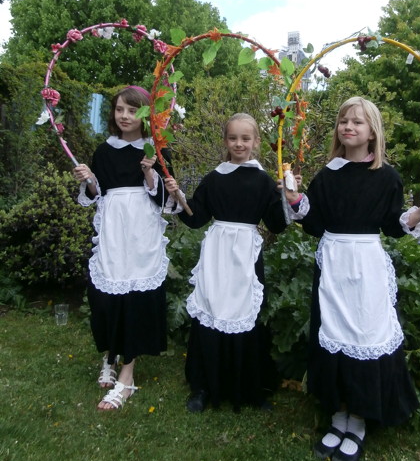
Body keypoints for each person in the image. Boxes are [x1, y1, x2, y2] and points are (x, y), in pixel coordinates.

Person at [297, 96, 420, 461]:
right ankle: (338, 415)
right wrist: (296, 200)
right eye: (343, 121)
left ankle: (359, 421)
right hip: (332, 263)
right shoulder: (327, 174)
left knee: (364, 335)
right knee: (333, 334)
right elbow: (314, 223)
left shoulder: (387, 178)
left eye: (357, 122)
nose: (348, 127)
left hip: (367, 267)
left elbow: (392, 226)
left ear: (373, 132)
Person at [164, 113, 301, 413]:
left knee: (247, 315)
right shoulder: (214, 178)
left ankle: (250, 388)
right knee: (210, 309)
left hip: (247, 256)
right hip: (216, 253)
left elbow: (276, 225)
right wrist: (178, 196)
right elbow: (196, 217)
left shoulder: (264, 181)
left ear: (255, 142)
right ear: (225, 141)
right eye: (233, 138)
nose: (239, 144)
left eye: (245, 138)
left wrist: (285, 198)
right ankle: (203, 386)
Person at [73, 86, 172, 410]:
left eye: (132, 110)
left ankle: (127, 377)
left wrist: (148, 170)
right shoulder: (104, 151)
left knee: (134, 297)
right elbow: (97, 194)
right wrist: (89, 178)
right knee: (105, 296)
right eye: (119, 110)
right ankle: (111, 355)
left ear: (146, 114)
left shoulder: (156, 149)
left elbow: (165, 200)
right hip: (113, 230)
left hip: (141, 231)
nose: (125, 116)